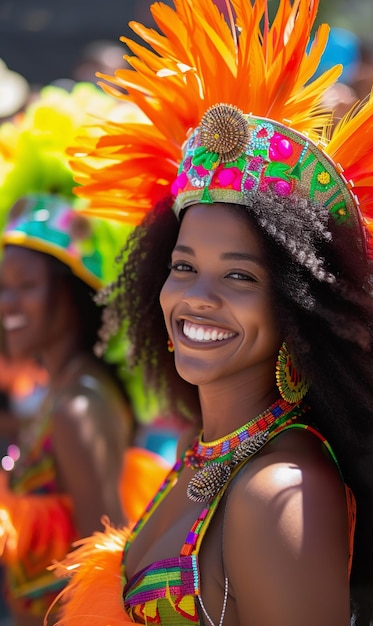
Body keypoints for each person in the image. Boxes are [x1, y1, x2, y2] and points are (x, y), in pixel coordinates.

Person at [50, 0, 373, 625]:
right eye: (184, 265)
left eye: (240, 275)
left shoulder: (279, 493)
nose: (197, 296)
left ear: (303, 311)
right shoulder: (208, 450)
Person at [0, 84, 169, 626]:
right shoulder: (60, 391)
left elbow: (107, 563)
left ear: (71, 293)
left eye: (24, 286)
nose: (7, 304)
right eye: (1, 286)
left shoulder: (78, 407)